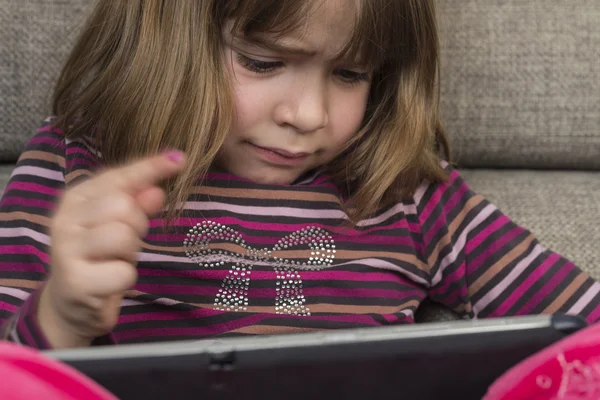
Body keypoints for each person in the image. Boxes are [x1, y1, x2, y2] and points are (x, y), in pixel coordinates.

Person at [0, 0, 599, 350]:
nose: (308, 116)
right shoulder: (76, 164)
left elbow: (584, 329)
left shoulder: (407, 191)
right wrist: (59, 317)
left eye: (351, 74)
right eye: (263, 61)